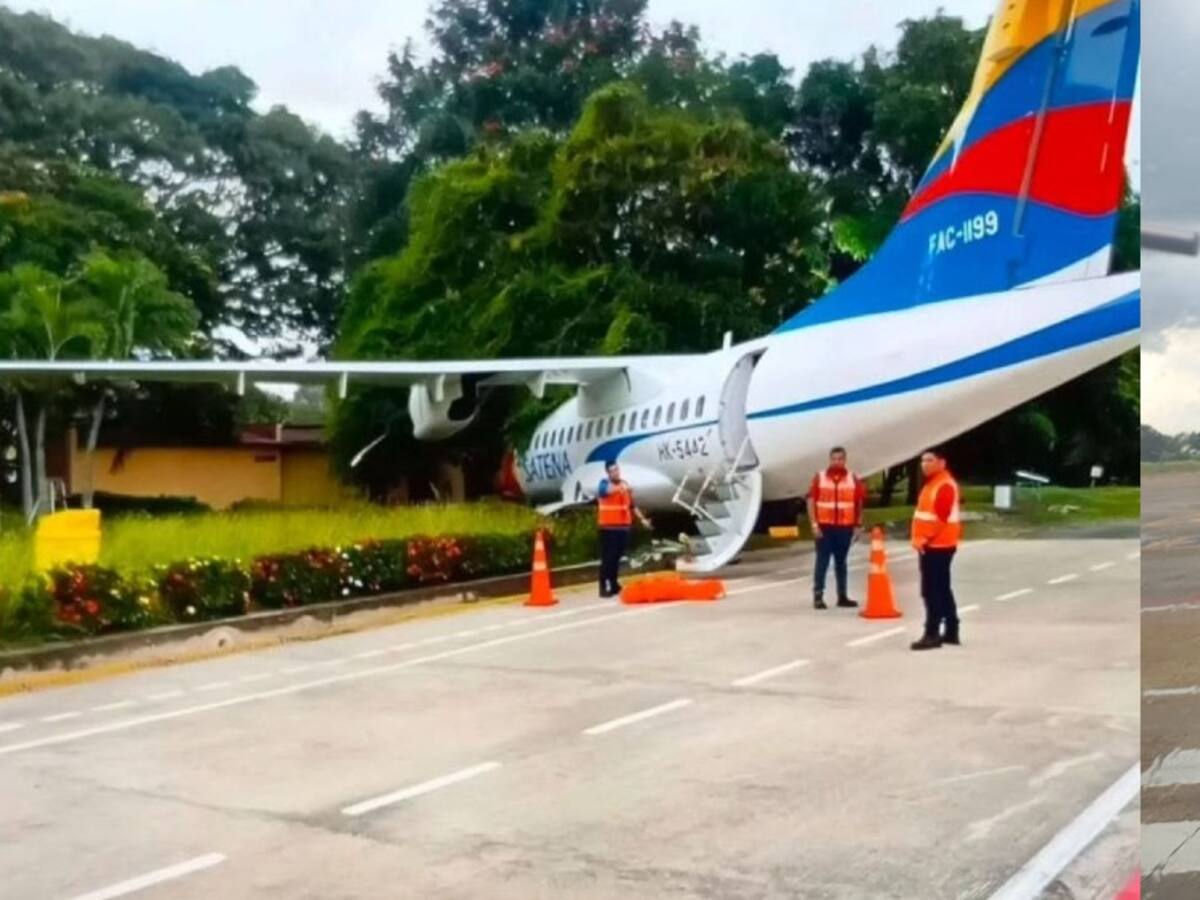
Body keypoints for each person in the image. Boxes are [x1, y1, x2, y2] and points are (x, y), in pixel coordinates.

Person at [910, 447, 962, 650]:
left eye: (930, 460)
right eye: (923, 460)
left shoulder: (943, 485)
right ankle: (951, 629)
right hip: (936, 544)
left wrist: (923, 538)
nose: (925, 464)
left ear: (942, 463)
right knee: (942, 588)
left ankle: (932, 632)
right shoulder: (933, 484)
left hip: (937, 545)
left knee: (931, 590)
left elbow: (939, 518)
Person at [806, 446, 866, 609]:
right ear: (830, 459)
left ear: (844, 460)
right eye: (834, 459)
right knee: (822, 562)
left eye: (840, 459)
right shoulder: (820, 477)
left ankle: (842, 596)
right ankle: (818, 595)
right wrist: (814, 524)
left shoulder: (853, 478)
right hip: (824, 527)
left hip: (844, 528)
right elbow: (811, 501)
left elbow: (858, 503)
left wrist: (858, 524)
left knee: (841, 562)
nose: (837, 462)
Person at [596, 460, 651, 597]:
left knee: (616, 558)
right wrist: (618, 488)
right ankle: (603, 586)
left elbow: (632, 505)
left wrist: (643, 519)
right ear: (608, 473)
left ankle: (614, 584)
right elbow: (603, 492)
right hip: (608, 528)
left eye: (617, 469)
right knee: (608, 558)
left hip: (622, 528)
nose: (616, 472)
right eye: (613, 470)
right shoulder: (604, 484)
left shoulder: (624, 484)